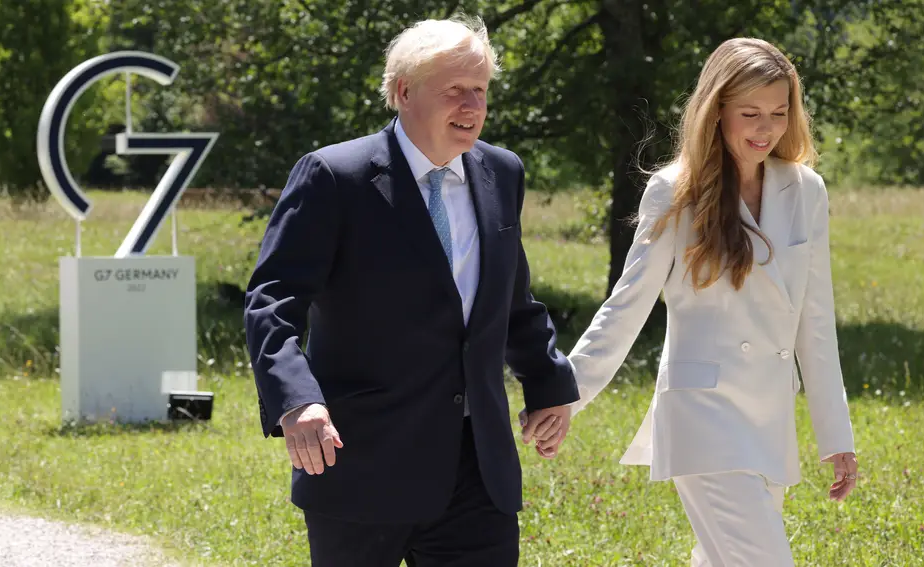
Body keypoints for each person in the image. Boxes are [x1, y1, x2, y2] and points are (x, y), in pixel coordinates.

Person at [243, 14, 579, 567]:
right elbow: (272, 300)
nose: (472, 106)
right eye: (454, 91)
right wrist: (296, 400)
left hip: (478, 468)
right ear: (403, 92)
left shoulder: (502, 172)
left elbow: (510, 297)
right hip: (360, 463)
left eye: (480, 91)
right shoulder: (335, 176)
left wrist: (547, 382)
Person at [565, 37, 859, 566]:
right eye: (749, 113)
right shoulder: (674, 190)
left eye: (778, 112)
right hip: (702, 417)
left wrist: (835, 433)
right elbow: (626, 305)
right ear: (715, 110)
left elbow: (815, 321)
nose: (765, 128)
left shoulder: (807, 190)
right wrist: (566, 394)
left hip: (769, 420)